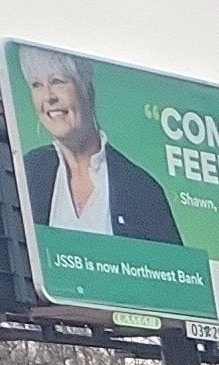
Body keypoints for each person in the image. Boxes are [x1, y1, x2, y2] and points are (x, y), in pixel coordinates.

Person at [17, 50, 181, 243]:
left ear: (86, 89)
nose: (48, 97)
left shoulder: (141, 190)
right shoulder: (26, 172)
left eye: (57, 81)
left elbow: (173, 269)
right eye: (37, 85)